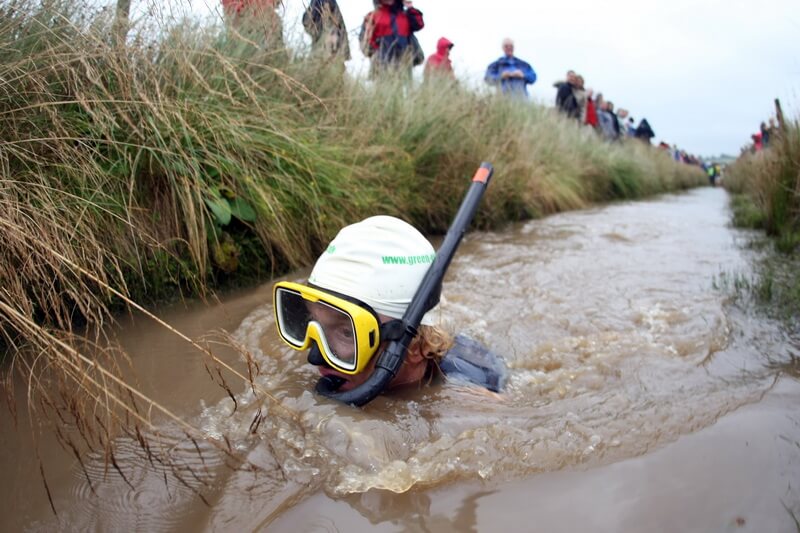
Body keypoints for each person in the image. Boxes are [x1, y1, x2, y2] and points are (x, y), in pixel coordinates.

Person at [272, 216, 507, 395]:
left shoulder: (471, 392)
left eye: (346, 332)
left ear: (415, 347)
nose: (314, 357)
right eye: (312, 324)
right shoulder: (341, 369)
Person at [359, 0, 425, 77]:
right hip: (381, 67)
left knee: (404, 87)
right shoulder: (373, 16)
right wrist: (377, 54)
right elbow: (365, 43)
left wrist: (410, 7)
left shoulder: (406, 15)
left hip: (404, 66)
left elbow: (419, 24)